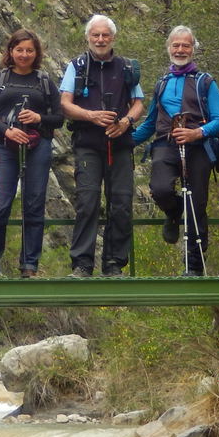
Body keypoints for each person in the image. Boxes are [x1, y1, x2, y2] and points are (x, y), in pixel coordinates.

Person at [132, 26, 219, 277]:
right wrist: (124, 140)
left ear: (193, 49)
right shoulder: (162, 83)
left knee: (197, 203)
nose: (180, 50)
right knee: (160, 189)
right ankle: (173, 212)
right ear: (169, 49)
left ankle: (194, 264)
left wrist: (197, 133)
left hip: (198, 147)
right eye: (176, 45)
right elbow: (151, 122)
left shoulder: (205, 82)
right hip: (166, 144)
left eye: (185, 45)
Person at [61, 15, 145, 278]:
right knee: (88, 201)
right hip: (87, 143)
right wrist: (91, 116)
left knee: (121, 202)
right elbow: (64, 104)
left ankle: (114, 263)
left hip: (120, 143)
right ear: (88, 37)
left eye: (105, 35)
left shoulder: (127, 67)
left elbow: (138, 103)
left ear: (113, 38)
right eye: (95, 35)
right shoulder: (76, 66)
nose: (100, 40)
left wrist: (126, 122)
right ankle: (82, 264)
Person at [0, 28, 64, 278]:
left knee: (34, 203)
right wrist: (6, 130)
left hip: (38, 146)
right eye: (19, 50)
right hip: (4, 146)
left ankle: (29, 265)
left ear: (36, 53)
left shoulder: (44, 81)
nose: (24, 55)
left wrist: (38, 118)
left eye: (29, 50)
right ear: (11, 51)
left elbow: (59, 118)